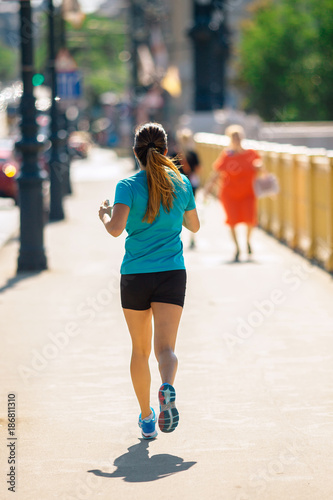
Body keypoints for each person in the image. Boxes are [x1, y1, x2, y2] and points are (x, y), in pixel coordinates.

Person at [98, 122, 200, 439]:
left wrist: (104, 213)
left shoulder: (126, 186)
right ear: (166, 150)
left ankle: (146, 417)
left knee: (139, 351)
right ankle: (167, 386)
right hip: (172, 273)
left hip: (135, 276)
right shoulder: (182, 183)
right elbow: (194, 227)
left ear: (136, 152)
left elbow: (116, 230)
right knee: (166, 349)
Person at [205, 125, 262, 261]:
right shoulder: (227, 154)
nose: (236, 140)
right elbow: (217, 173)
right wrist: (208, 188)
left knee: (250, 219)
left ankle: (248, 241)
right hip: (229, 194)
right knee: (232, 221)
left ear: (242, 138)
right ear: (230, 139)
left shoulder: (251, 154)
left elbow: (262, 171)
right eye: (234, 137)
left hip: (248, 193)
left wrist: (260, 167)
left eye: (238, 137)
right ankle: (237, 248)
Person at [176, 128, 202, 249]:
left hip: (188, 185)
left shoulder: (191, 154)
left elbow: (198, 169)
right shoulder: (176, 154)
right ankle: (181, 236)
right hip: (181, 186)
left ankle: (192, 237)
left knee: (189, 211)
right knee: (182, 212)